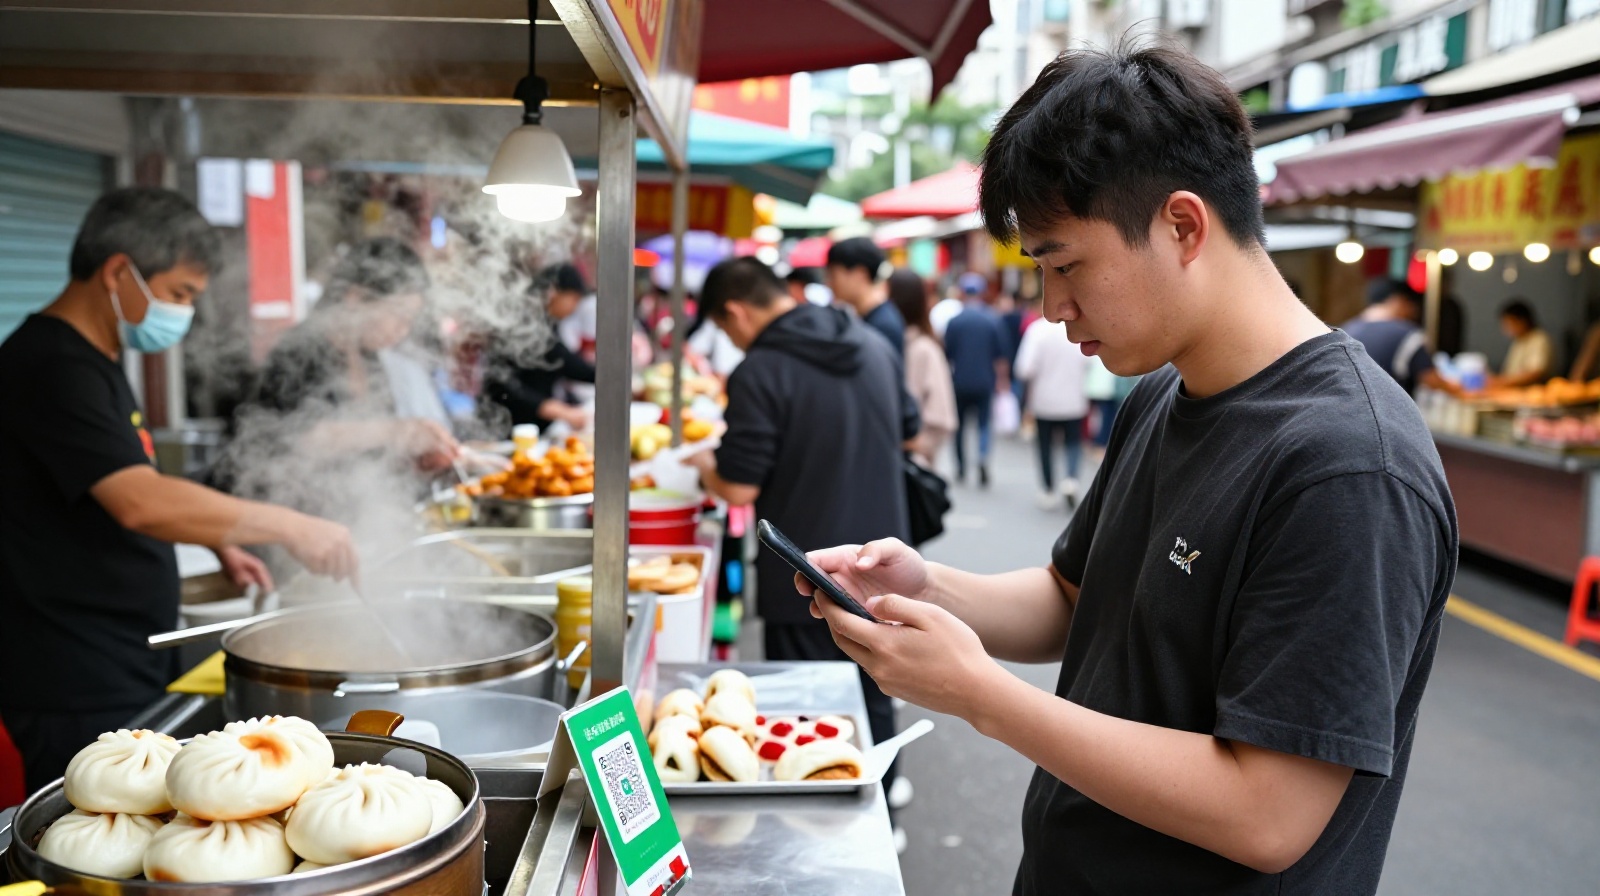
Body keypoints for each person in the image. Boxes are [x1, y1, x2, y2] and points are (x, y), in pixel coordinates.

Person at [798, 42, 1456, 895]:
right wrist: (924, 590)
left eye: (1066, 265)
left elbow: (1270, 814)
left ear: (1183, 225)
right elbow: (1079, 601)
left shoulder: (1348, 465)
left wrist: (982, 697)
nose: (1052, 307)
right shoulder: (1163, 392)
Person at [0, 188, 358, 794]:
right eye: (178, 294)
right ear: (119, 272)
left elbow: (109, 487)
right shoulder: (53, 367)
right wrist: (292, 524)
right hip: (74, 676)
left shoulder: (94, 360)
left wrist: (219, 536)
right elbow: (138, 499)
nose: (184, 313)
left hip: (116, 657)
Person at [684, 257, 919, 819]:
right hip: (883, 554)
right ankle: (881, 806)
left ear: (735, 311)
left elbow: (738, 486)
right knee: (877, 679)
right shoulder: (869, 342)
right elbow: (908, 428)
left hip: (803, 567)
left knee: (808, 706)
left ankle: (826, 822)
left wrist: (700, 465)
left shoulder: (759, 370)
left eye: (725, 328)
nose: (731, 340)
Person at [482, 263, 597, 431]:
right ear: (553, 292)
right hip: (508, 423)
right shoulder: (522, 321)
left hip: (534, 424)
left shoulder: (545, 322)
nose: (575, 307)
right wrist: (549, 407)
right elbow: (501, 381)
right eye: (573, 299)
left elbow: (562, 360)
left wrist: (607, 378)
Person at [1014, 317, 1089, 509]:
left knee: (1045, 446)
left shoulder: (1037, 331)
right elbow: (1090, 361)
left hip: (1044, 400)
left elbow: (1024, 368)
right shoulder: (1078, 329)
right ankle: (1071, 479)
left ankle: (1048, 489)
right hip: (1074, 398)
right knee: (1073, 442)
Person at [943, 279, 1010, 486]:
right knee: (983, 424)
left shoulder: (955, 321)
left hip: (959, 381)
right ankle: (982, 457)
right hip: (984, 381)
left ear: (962, 293)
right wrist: (1002, 381)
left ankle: (961, 467)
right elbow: (1000, 356)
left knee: (959, 427)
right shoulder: (992, 319)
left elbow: (947, 354)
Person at [1342, 279, 1459, 395]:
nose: (1414, 311)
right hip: (1387, 409)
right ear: (1397, 301)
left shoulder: (1345, 330)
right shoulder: (1407, 334)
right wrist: (1460, 390)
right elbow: (1431, 379)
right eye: (1410, 304)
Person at [888, 269, 957, 466]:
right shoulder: (919, 345)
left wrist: (912, 445)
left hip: (911, 464)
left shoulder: (923, 349)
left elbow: (941, 418)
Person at [825, 237, 903, 357]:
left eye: (833, 275)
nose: (829, 283)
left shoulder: (883, 325)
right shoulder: (873, 316)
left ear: (860, 274)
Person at [1490, 299, 1553, 388]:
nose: (1507, 328)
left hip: (1532, 395)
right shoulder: (1518, 341)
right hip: (1513, 394)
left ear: (1522, 321)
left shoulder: (1539, 339)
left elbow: (1535, 373)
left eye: (1509, 323)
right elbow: (1509, 373)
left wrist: (1501, 382)